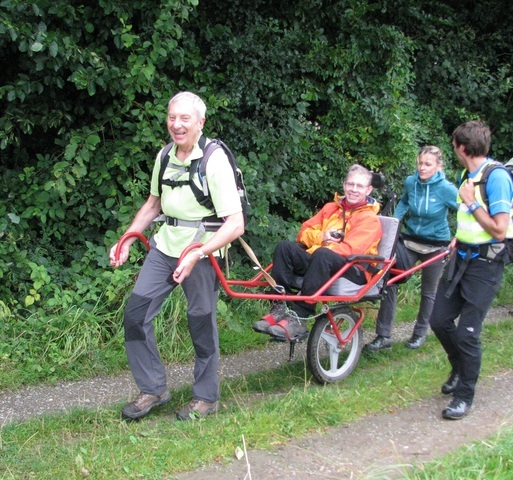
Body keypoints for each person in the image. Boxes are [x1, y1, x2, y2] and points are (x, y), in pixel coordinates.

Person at [109, 92, 244, 420]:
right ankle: (154, 388)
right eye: (172, 117)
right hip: (166, 246)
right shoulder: (165, 155)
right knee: (136, 315)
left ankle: (206, 397)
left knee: (200, 322)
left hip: (203, 252)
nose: (177, 124)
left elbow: (236, 224)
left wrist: (197, 253)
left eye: (185, 118)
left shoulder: (213, 160)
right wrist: (127, 238)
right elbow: (153, 204)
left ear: (200, 122)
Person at [429, 120, 513, 420]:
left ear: (463, 148)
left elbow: (500, 230)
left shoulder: (497, 178)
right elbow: (469, 220)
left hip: (485, 265)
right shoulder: (468, 174)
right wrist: (457, 237)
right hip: (460, 257)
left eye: (454, 146)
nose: (454, 151)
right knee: (439, 319)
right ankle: (459, 366)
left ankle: (464, 396)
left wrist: (471, 202)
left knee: (467, 333)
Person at [252, 164, 382, 340]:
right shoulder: (330, 208)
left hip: (353, 269)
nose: (353, 189)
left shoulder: (369, 219)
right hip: (321, 260)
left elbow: (352, 249)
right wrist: (322, 237)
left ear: (369, 190)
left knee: (323, 254)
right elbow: (302, 234)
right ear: (344, 185)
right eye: (350, 184)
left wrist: (324, 247)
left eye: (359, 186)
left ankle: (300, 316)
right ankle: (279, 307)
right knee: (284, 247)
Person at [366, 146, 458, 351]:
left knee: (429, 292)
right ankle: (383, 336)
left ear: (438, 166)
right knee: (389, 279)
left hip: (436, 245)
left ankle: (419, 334)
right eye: (420, 163)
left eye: (428, 164)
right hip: (410, 241)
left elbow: (467, 210)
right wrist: (394, 224)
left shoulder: (446, 188)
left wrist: (460, 237)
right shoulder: (411, 182)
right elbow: (404, 202)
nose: (422, 168)